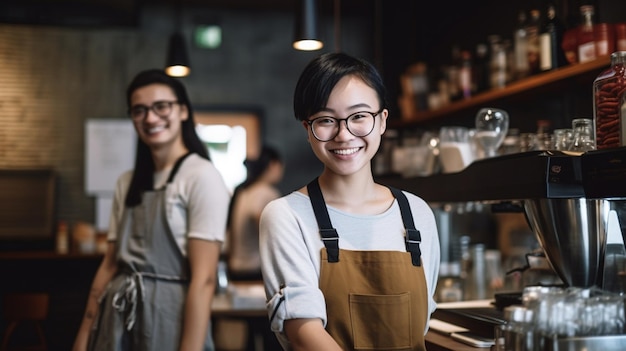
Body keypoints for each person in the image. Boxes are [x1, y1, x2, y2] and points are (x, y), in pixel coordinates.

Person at [259, 52, 440, 350]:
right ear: (308, 129)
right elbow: (304, 335)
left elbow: (422, 324)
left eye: (358, 116)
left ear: (382, 121)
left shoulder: (417, 213)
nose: (343, 135)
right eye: (326, 120)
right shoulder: (285, 216)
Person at [72, 69, 230, 351]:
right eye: (139, 110)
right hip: (116, 317)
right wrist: (84, 335)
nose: (150, 118)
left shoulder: (202, 176)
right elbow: (109, 265)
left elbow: (204, 279)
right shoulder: (127, 182)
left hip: (172, 318)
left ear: (182, 111)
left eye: (161, 107)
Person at [226, 145, 284, 281]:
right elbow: (259, 219)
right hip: (254, 270)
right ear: (273, 165)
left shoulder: (245, 191)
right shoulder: (265, 192)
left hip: (236, 267)